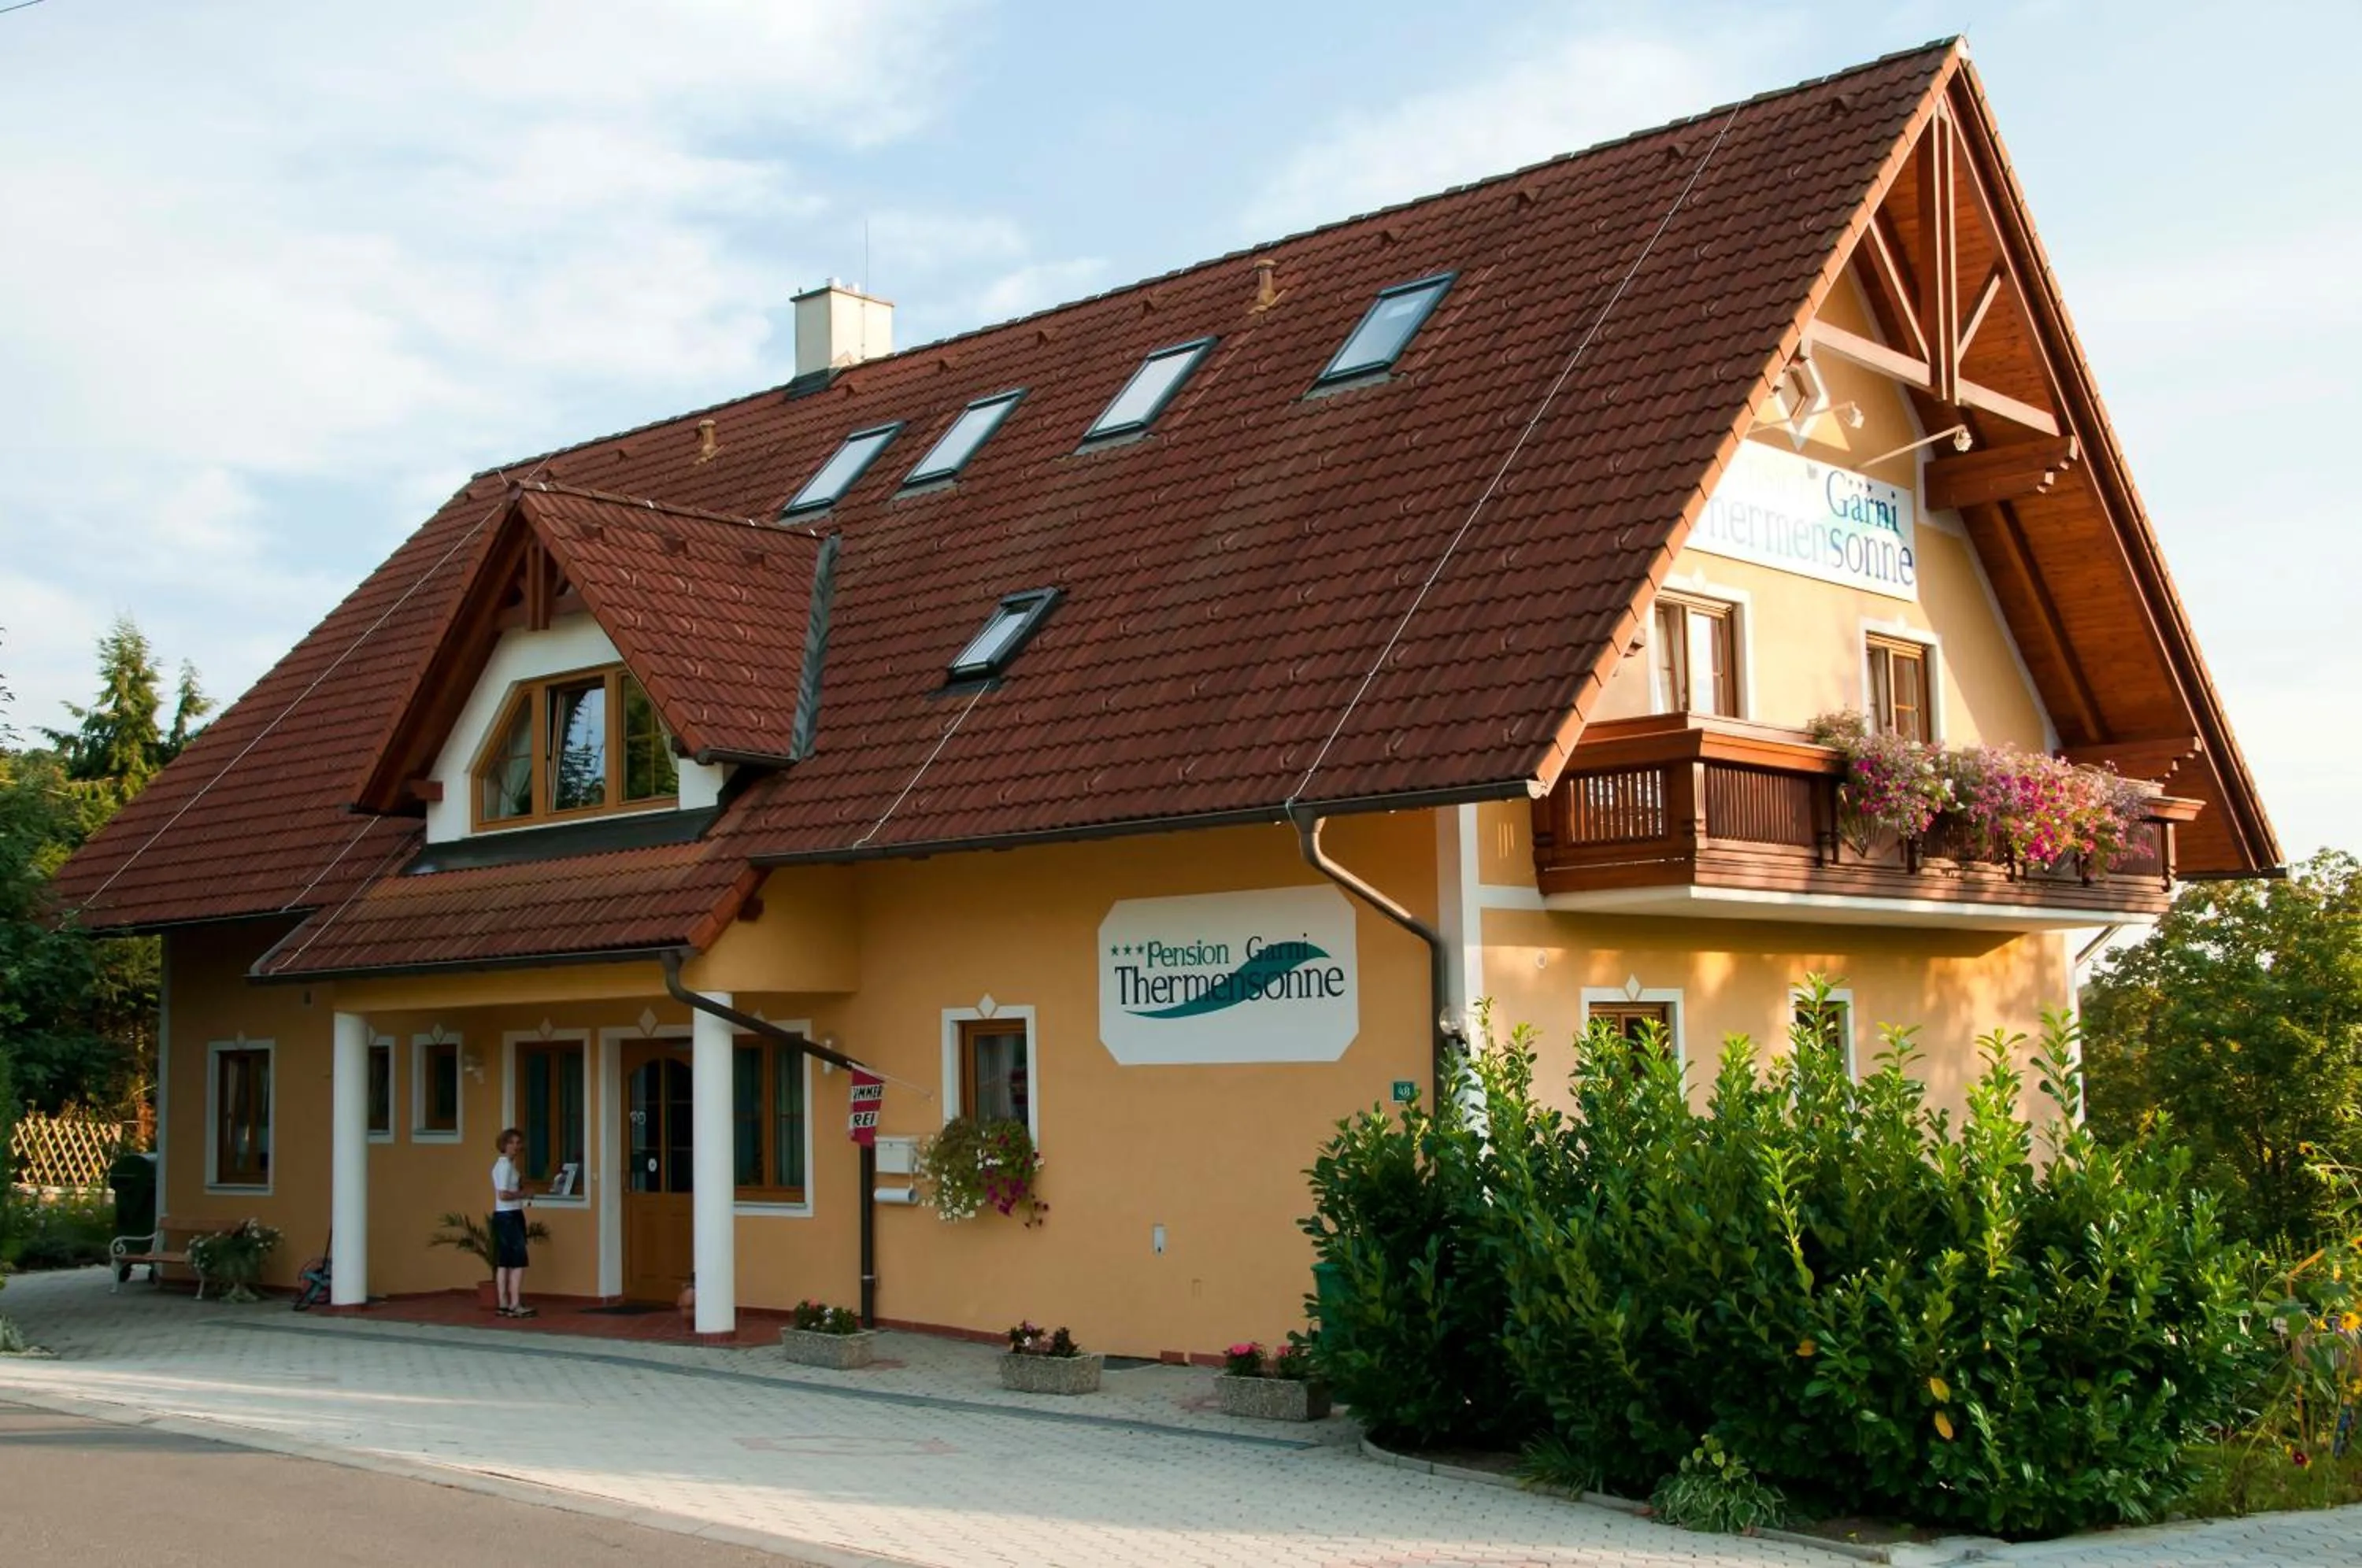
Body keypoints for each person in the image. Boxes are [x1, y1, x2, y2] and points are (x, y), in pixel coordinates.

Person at [490, 1128, 535, 1318]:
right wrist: (523, 1194)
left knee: (504, 1261)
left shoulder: (505, 1165)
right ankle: (514, 1304)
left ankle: (503, 1302)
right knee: (517, 1261)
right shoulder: (505, 1166)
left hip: (504, 1216)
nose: (516, 1147)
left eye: (518, 1143)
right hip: (510, 1215)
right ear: (504, 1145)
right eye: (512, 1143)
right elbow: (503, 1194)